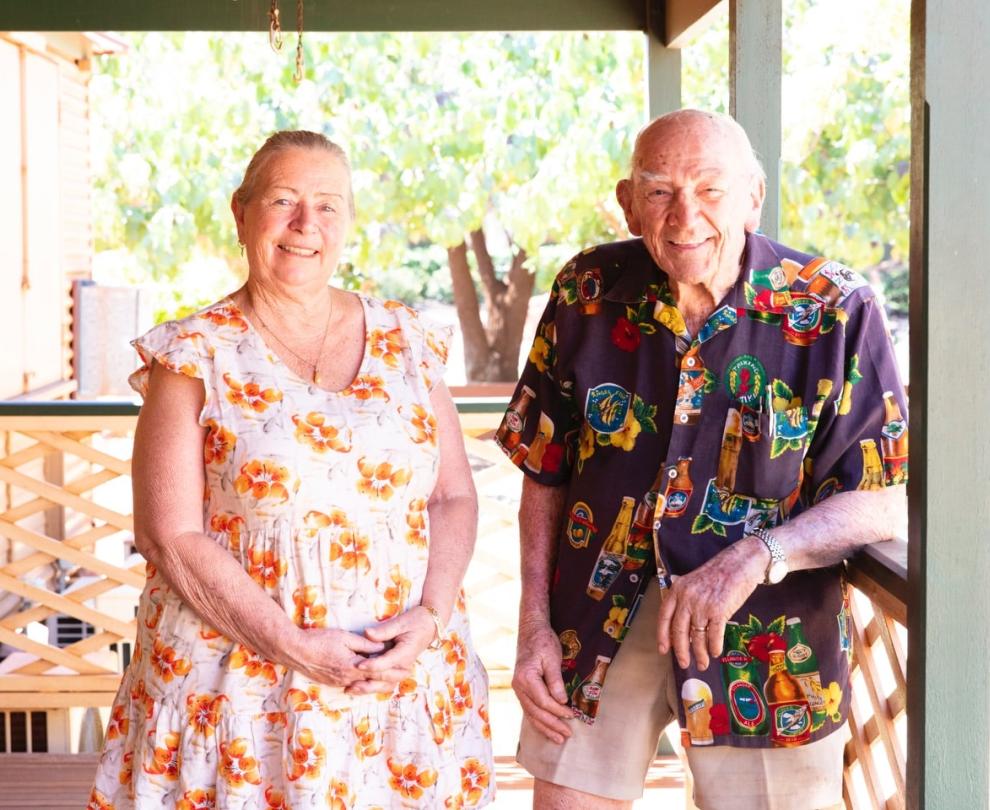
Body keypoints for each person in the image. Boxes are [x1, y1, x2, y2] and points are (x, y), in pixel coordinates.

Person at [497, 109, 906, 810]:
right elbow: (545, 471)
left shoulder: (835, 308)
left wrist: (760, 555)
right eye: (659, 191)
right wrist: (533, 626)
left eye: (709, 188)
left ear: (753, 194)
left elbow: (881, 495)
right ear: (629, 204)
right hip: (598, 620)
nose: (686, 213)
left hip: (771, 637)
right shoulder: (584, 293)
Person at [89, 131, 494, 809]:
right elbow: (168, 535)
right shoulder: (193, 353)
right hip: (240, 689)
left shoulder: (409, 339)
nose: (307, 224)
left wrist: (431, 613)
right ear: (241, 212)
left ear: (349, 221)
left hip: (399, 680)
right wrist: (292, 645)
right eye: (284, 201)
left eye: (328, 205)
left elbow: (453, 495)